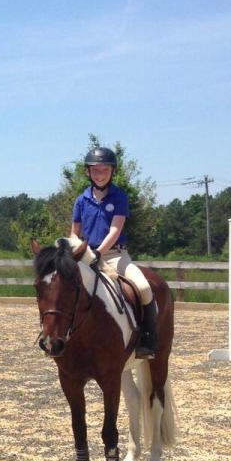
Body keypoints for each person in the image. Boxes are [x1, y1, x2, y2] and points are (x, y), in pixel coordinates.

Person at [71, 145, 158, 358]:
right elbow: (74, 233)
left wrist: (99, 252)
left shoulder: (119, 197)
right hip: (86, 256)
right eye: (96, 170)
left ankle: (148, 340)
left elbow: (115, 229)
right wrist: (78, 252)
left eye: (105, 170)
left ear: (112, 172)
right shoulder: (81, 200)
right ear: (88, 172)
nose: (100, 175)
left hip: (115, 255)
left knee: (144, 288)